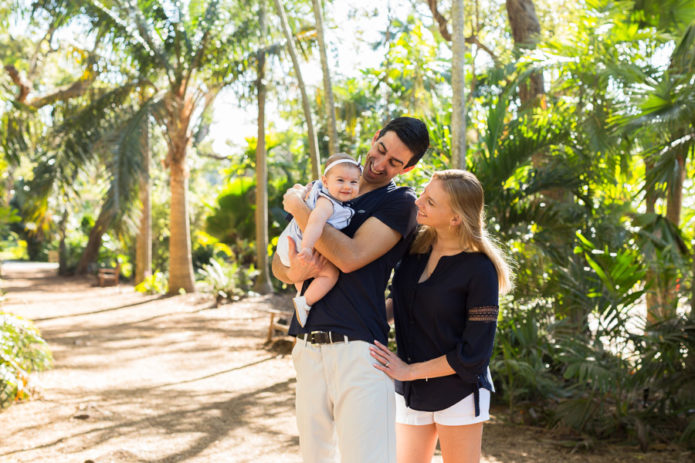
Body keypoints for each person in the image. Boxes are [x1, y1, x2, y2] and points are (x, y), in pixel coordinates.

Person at [272, 116, 430, 463]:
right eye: (381, 149)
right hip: (308, 344)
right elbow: (278, 263)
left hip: (359, 350)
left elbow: (350, 256)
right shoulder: (331, 182)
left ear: (407, 169)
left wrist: (300, 208)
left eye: (394, 162)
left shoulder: (400, 202)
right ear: (375, 137)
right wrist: (294, 269)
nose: (379, 163)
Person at [369, 170, 513, 463]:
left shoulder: (480, 271)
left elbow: (473, 356)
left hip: (458, 393)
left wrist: (409, 371)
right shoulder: (412, 251)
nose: (418, 201)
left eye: (430, 201)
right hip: (409, 391)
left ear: (455, 218)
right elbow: (400, 304)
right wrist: (360, 320)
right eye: (424, 192)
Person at [275, 153, 362, 326]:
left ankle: (303, 297)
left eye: (354, 182)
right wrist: (307, 247)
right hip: (300, 244)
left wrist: (298, 191)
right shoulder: (328, 203)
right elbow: (315, 221)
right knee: (330, 274)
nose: (347, 186)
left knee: (305, 276)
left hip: (288, 243)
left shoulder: (317, 189)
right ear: (326, 180)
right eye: (340, 180)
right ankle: (304, 302)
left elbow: (301, 190)